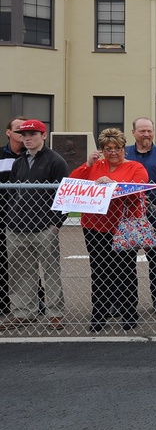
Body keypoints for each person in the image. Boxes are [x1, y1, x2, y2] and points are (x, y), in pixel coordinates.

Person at [70, 128, 150, 332]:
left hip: (123, 226)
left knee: (125, 271)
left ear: (124, 149)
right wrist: (87, 166)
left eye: (117, 148)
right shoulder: (96, 165)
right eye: (108, 148)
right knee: (98, 271)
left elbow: (138, 192)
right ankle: (99, 315)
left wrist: (114, 185)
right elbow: (74, 183)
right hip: (94, 226)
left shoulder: (135, 167)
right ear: (102, 149)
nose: (113, 152)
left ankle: (129, 314)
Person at [0, 120, 69, 331]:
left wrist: (57, 223)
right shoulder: (19, 162)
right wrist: (10, 219)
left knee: (50, 271)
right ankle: (23, 312)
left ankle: (55, 313)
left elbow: (64, 195)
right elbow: (12, 192)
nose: (27, 138)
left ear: (43, 135)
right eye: (24, 134)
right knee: (20, 271)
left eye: (33, 134)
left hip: (44, 227)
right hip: (16, 226)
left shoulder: (55, 161)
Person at [125, 117, 156, 313]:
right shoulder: (124, 153)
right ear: (133, 133)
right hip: (126, 214)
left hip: (153, 214)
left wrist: (146, 197)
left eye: (149, 130)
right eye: (142, 131)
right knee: (124, 259)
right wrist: (136, 197)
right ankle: (122, 302)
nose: (146, 134)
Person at [0, 116, 27, 315]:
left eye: (26, 130)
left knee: (28, 263)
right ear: (8, 132)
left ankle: (34, 301)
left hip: (28, 218)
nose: (22, 133)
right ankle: (4, 302)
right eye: (18, 129)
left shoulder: (34, 156)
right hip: (2, 217)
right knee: (3, 261)